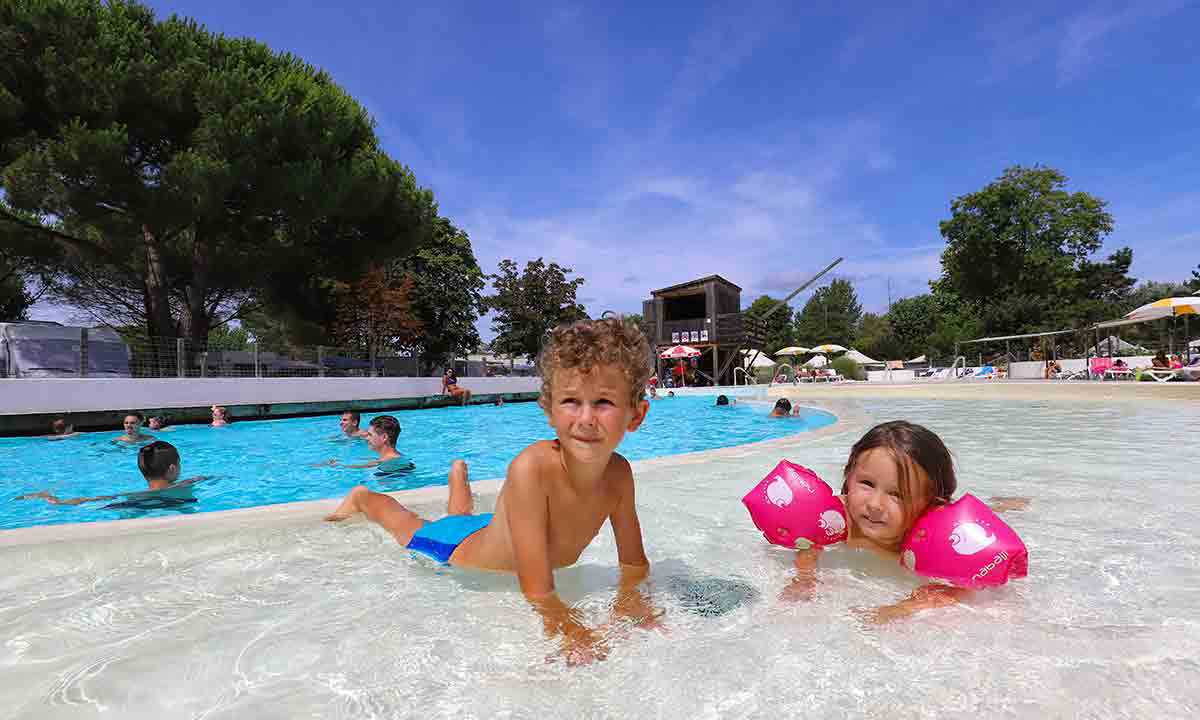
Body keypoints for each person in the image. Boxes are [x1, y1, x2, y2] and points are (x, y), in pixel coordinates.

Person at [325, 317, 661, 665]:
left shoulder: (619, 474)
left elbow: (634, 564)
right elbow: (537, 585)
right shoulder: (532, 469)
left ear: (635, 415)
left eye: (604, 401)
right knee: (407, 523)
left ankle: (458, 475)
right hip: (455, 550)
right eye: (571, 401)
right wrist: (568, 626)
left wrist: (632, 600)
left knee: (461, 517)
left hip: (494, 529)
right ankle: (364, 497)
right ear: (548, 409)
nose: (586, 418)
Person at [783, 421, 1028, 622]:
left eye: (897, 494)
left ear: (931, 502)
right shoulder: (838, 517)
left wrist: (903, 608)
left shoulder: (934, 539)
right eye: (867, 483)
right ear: (848, 477)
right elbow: (809, 544)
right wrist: (804, 578)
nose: (875, 504)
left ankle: (1002, 504)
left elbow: (965, 587)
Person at [17, 440, 200, 507]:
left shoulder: (132, 497)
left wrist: (50, 498)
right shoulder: (185, 487)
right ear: (173, 469)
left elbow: (83, 501)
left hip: (133, 506)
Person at [317, 415, 409, 470]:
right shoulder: (389, 460)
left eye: (370, 435)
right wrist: (339, 464)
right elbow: (373, 463)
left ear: (384, 437)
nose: (367, 438)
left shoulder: (392, 466)